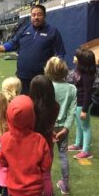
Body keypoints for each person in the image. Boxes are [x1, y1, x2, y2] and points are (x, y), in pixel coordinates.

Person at [0, 4, 66, 94]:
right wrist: (0, 48)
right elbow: (13, 43)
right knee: (24, 103)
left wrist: (57, 70)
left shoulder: (53, 31)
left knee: (39, 104)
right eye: (33, 15)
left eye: (39, 14)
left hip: (41, 78)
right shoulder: (25, 30)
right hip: (22, 76)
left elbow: (60, 53)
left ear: (44, 16)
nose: (36, 17)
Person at [0, 95, 52, 196]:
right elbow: (46, 165)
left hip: (13, 189)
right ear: (32, 116)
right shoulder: (39, 139)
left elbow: (2, 161)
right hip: (35, 189)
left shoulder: (5, 138)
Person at [44, 56, 77, 195]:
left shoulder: (47, 87)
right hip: (63, 128)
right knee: (63, 155)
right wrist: (66, 128)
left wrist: (49, 127)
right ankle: (65, 184)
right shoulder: (72, 88)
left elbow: (44, 109)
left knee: (46, 156)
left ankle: (45, 184)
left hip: (48, 128)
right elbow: (72, 111)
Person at [29, 75, 60, 196]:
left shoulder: (30, 107)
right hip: (47, 145)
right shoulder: (55, 106)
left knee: (30, 175)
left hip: (31, 146)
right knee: (46, 175)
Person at [67, 49, 96, 159]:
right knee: (78, 125)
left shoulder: (87, 76)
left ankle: (86, 151)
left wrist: (84, 110)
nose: (74, 58)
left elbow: (88, 94)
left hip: (82, 104)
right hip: (77, 103)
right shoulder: (79, 70)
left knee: (85, 127)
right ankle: (78, 144)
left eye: (76, 57)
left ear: (82, 62)